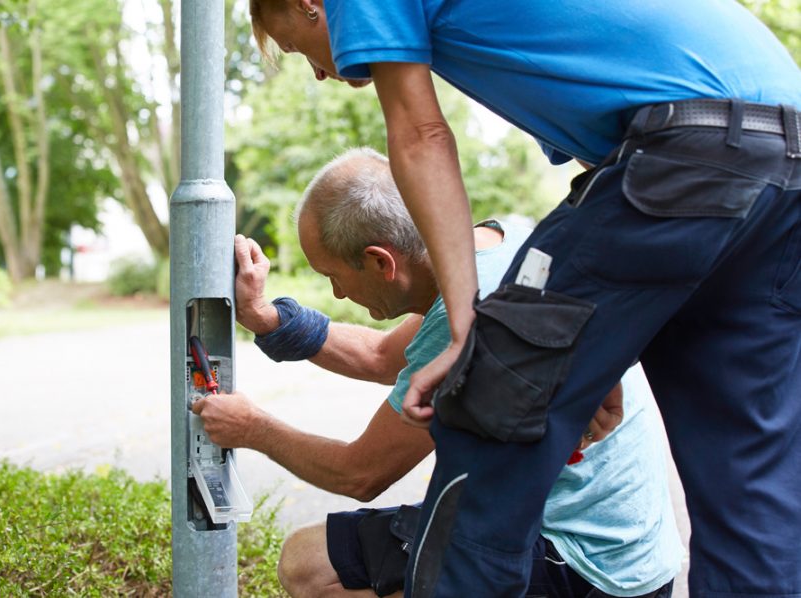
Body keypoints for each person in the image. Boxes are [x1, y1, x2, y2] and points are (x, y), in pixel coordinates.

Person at [244, 1, 801, 594]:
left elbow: (421, 133)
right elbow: (613, 163)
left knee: (488, 413)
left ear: (311, 4)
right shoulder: (510, 222)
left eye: (302, 49)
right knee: (746, 477)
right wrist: (591, 346)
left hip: (685, 143)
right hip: (784, 148)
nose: (320, 74)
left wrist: (471, 332)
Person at [193, 148, 682, 597]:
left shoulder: (468, 314)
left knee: (310, 565)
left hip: (583, 568)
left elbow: (360, 473)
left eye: (332, 277)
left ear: (380, 262)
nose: (338, 294)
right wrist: (270, 319)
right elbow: (383, 357)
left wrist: (252, 428)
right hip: (638, 558)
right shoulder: (498, 246)